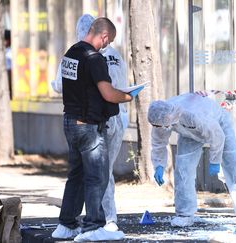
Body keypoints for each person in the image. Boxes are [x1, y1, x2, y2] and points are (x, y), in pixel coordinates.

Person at [51, 17, 137, 242]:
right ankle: (93, 226)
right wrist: (128, 96)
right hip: (88, 125)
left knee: (76, 175)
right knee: (96, 176)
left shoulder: (70, 53)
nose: (106, 46)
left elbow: (61, 85)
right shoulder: (95, 58)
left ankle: (66, 225)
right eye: (107, 42)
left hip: (70, 122)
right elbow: (108, 93)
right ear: (104, 36)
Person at [148, 93, 236, 227]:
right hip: (189, 133)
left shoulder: (194, 115)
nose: (159, 129)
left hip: (218, 123)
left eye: (161, 126)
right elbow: (158, 143)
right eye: (157, 126)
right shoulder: (160, 117)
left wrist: (215, 161)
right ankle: (184, 214)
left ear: (168, 117)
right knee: (183, 170)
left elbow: (217, 136)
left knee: (233, 165)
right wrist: (159, 165)